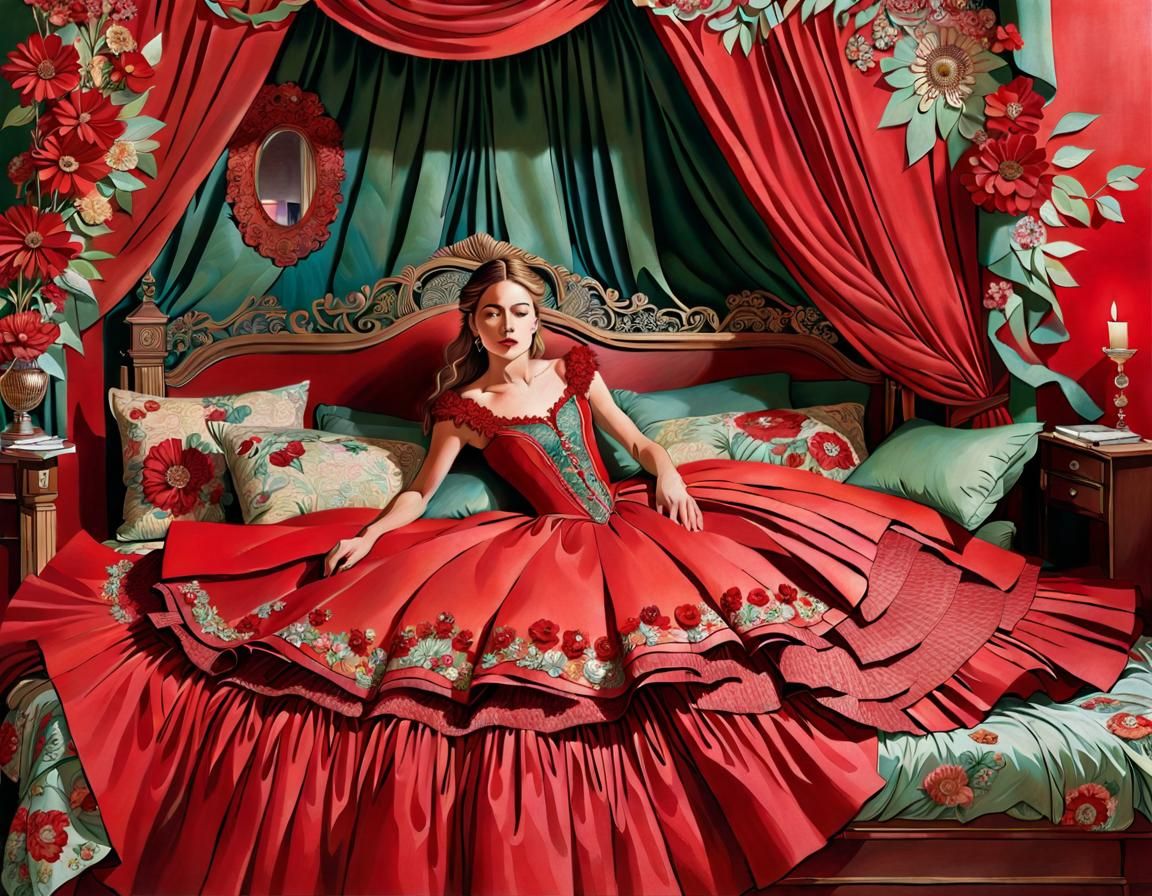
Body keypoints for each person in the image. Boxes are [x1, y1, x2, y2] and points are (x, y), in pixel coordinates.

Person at [0, 254, 1140, 896]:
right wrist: (362, 534)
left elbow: (634, 439)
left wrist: (674, 475)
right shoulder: (460, 403)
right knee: (523, 668)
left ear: (539, 319)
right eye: (493, 313)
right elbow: (414, 489)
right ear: (475, 325)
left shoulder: (571, 365)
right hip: (541, 545)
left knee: (818, 610)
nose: (509, 324)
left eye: (520, 310)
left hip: (650, 516)